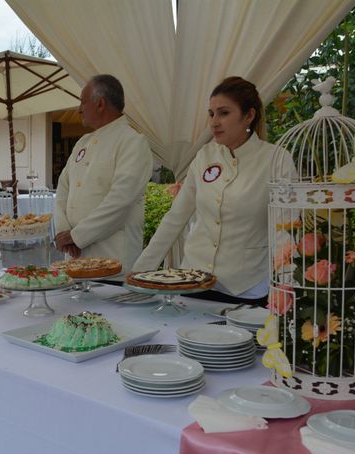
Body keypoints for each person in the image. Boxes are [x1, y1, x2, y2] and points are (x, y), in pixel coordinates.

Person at [133, 76, 296, 305]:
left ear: (249, 115)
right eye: (211, 114)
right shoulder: (204, 156)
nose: (214, 122)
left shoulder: (276, 160)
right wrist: (139, 273)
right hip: (193, 281)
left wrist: (287, 285)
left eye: (224, 113)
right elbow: (175, 218)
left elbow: (285, 229)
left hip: (246, 287)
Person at [53, 74, 152, 275]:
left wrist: (77, 236)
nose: (79, 109)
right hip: (74, 258)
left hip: (112, 260)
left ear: (100, 104)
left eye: (83, 102)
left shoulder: (132, 142)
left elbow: (120, 201)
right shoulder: (82, 143)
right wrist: (64, 234)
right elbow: (62, 189)